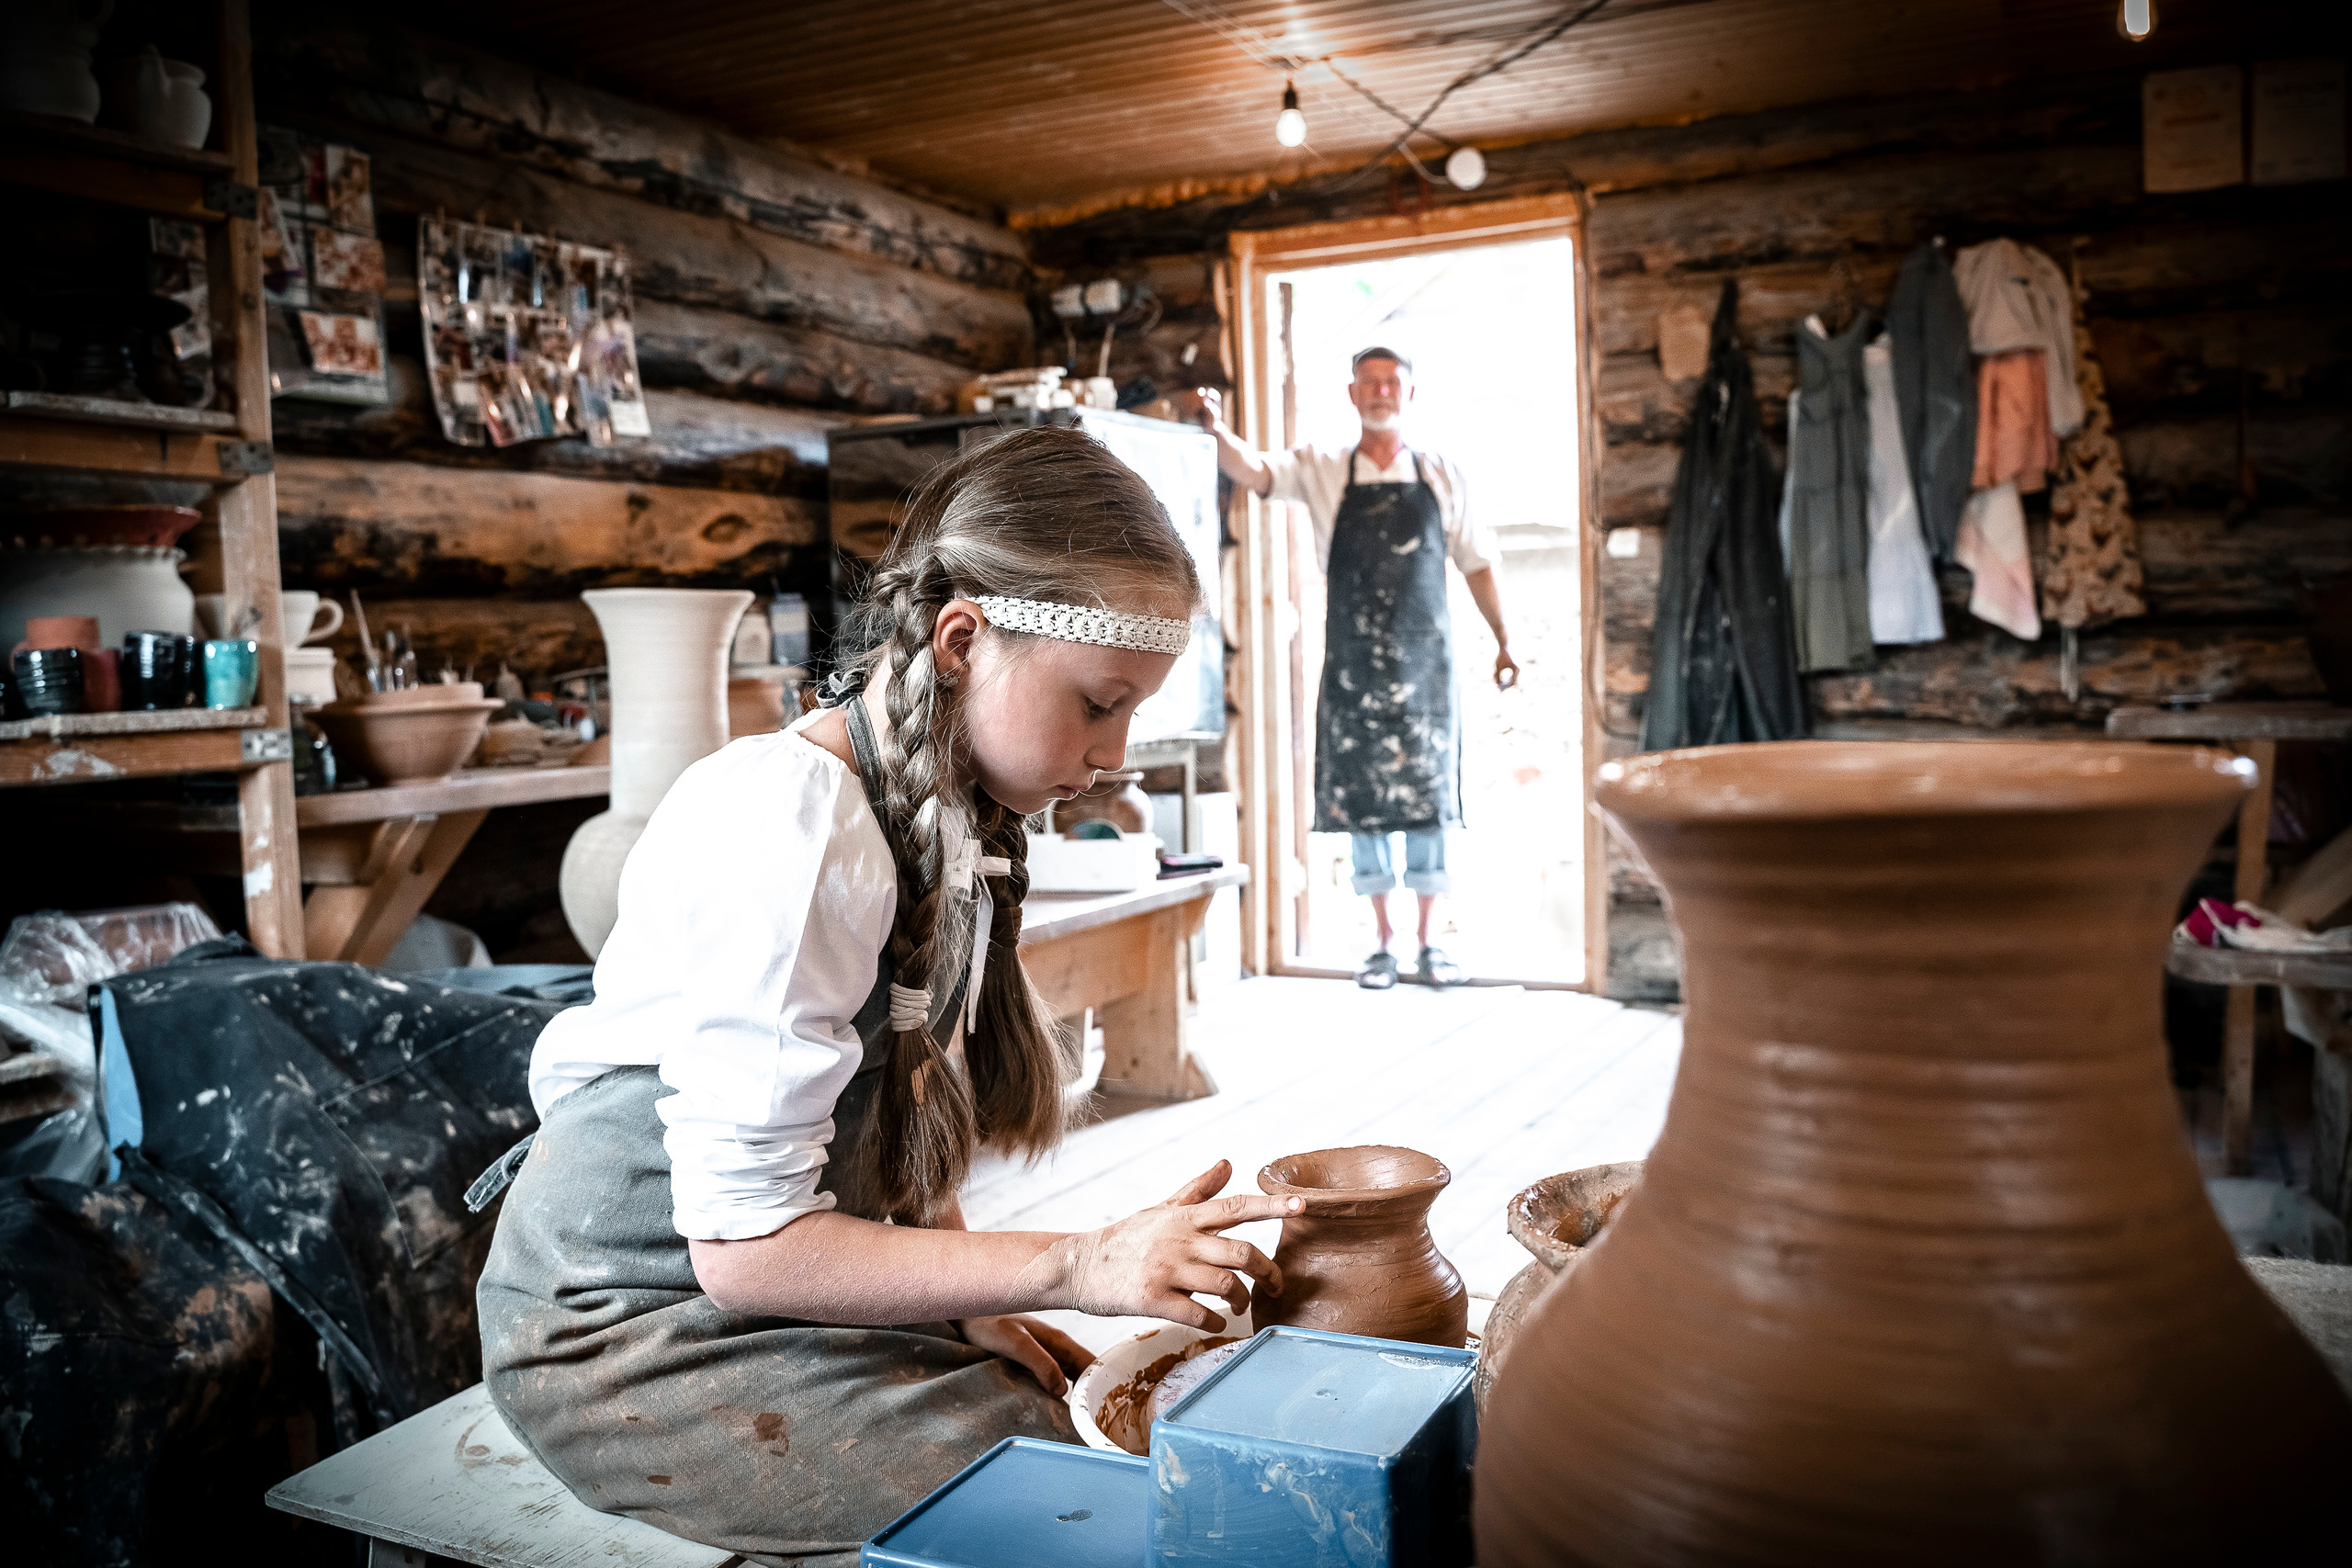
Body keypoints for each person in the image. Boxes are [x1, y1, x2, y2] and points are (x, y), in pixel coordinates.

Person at [473, 427, 1302, 1564]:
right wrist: (1077, 1260)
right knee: (1057, 1490)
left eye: (1131, 715)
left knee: (1086, 1416)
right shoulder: (791, 825)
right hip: (630, 1331)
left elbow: (887, 1120)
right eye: (1098, 703)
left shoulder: (945, 812)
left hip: (766, 1292)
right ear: (962, 639)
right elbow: (745, 1251)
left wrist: (965, 1291)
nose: (1112, 754)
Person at [1196, 347, 1516, 990]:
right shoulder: (1321, 466)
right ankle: (1383, 942)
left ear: (1410, 393)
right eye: (1369, 381)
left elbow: (1479, 561)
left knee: (1427, 802)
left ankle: (1430, 943)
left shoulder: (1443, 473)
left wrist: (1505, 640)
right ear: (1351, 393)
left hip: (1427, 667)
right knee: (1364, 804)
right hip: (1353, 666)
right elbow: (1256, 471)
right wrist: (1215, 431)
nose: (1381, 391)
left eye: (1392, 381)